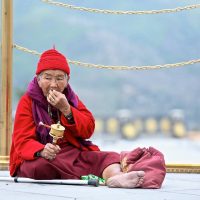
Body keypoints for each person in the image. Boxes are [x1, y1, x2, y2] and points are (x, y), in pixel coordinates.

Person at [9, 48, 146, 188]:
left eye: (59, 78)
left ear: (67, 80)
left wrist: (67, 109)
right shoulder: (27, 102)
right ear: (38, 79)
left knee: (108, 157)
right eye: (47, 78)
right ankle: (96, 173)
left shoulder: (70, 98)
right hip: (40, 157)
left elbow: (88, 129)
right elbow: (22, 141)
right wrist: (42, 150)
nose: (53, 84)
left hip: (71, 153)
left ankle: (116, 177)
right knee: (38, 168)